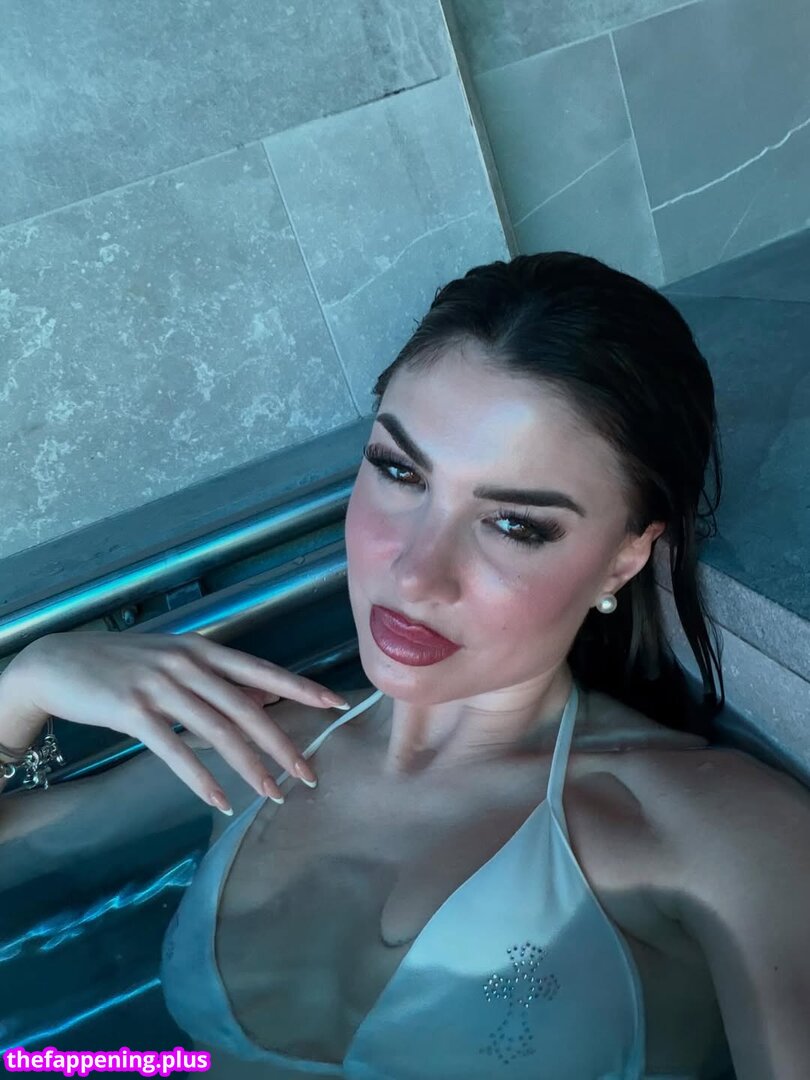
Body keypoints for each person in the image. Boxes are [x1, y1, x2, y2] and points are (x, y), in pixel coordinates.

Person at [1, 252, 808, 1079]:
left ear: (624, 559)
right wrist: (23, 688)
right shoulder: (259, 745)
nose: (416, 574)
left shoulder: (709, 830)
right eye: (399, 471)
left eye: (516, 525)